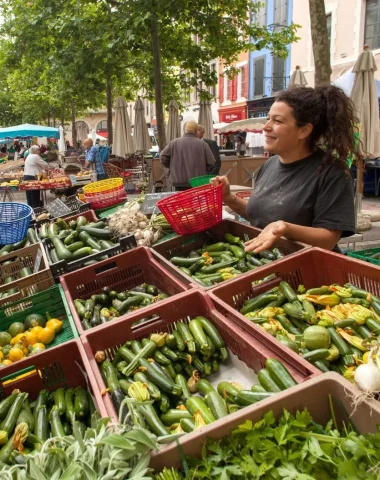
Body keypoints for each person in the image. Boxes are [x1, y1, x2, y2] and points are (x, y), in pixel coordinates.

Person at [211, 85, 357, 253]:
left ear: (304, 130)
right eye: (268, 119)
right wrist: (229, 198)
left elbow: (328, 239)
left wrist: (286, 228)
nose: (266, 126)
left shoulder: (333, 173)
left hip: (308, 272)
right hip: (268, 263)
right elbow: (262, 215)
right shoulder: (270, 164)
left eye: (277, 121)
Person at [160, 120, 215, 191]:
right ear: (196, 131)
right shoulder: (203, 144)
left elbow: (163, 158)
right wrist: (202, 170)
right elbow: (211, 163)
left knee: (180, 202)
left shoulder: (173, 143)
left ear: (185, 130)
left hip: (178, 184)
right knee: (195, 202)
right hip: (197, 183)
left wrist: (172, 167)